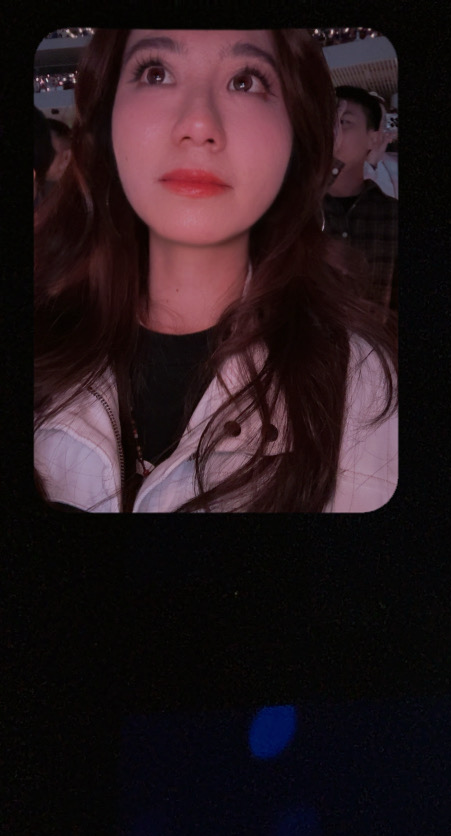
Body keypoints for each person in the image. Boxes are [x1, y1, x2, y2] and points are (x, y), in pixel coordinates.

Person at [34, 29, 396, 513]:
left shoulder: (359, 389)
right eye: (156, 73)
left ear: (295, 134)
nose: (199, 123)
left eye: (245, 81)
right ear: (107, 120)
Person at [323, 85, 397, 316]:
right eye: (326, 122)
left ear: (373, 140)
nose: (331, 131)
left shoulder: (392, 214)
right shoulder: (299, 209)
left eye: (343, 121)